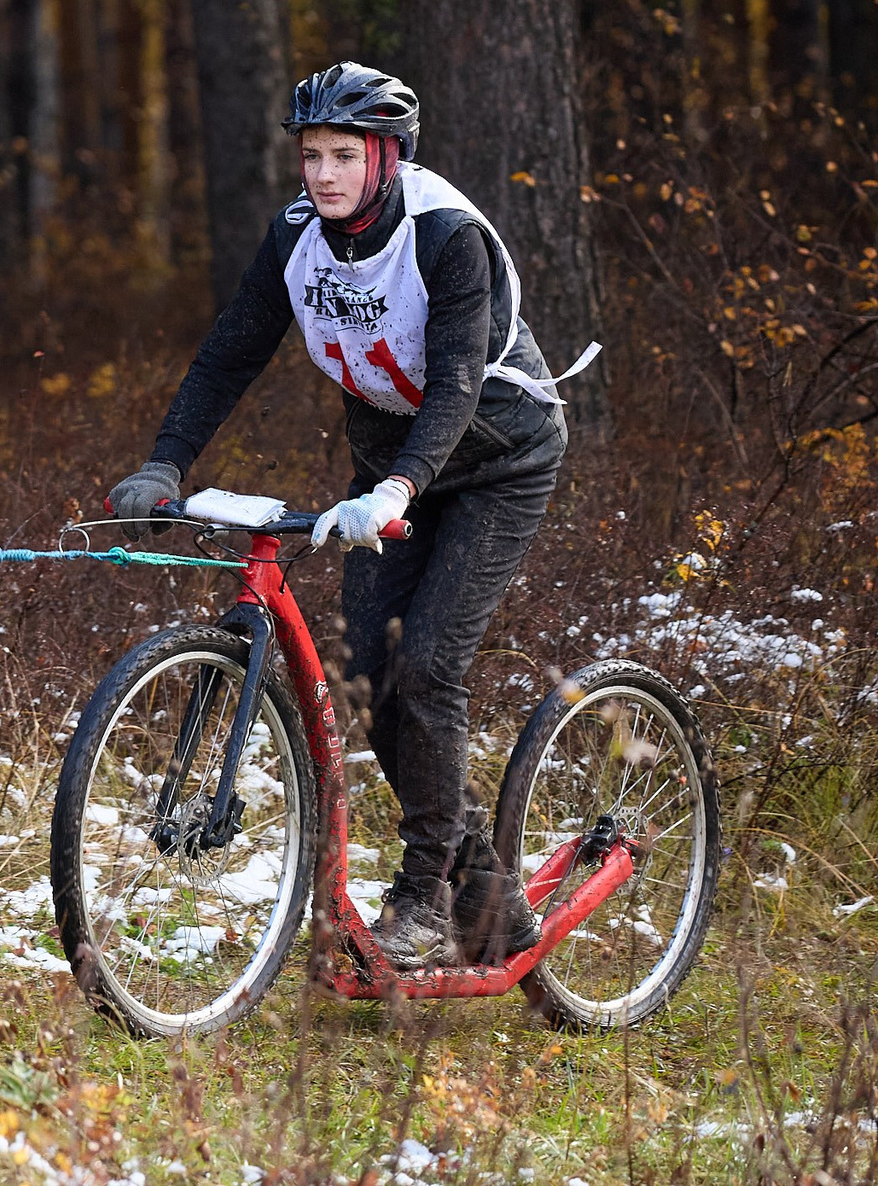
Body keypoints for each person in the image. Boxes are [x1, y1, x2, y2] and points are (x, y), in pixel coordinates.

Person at [107, 63, 597, 969]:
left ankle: (421, 898)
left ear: (388, 157)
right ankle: (484, 889)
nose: (323, 174)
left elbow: (452, 385)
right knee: (370, 676)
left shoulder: (447, 235)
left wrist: (400, 489)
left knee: (430, 666)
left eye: (343, 155)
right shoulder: (298, 234)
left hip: (496, 461)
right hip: (388, 472)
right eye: (310, 155)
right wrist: (164, 460)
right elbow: (231, 351)